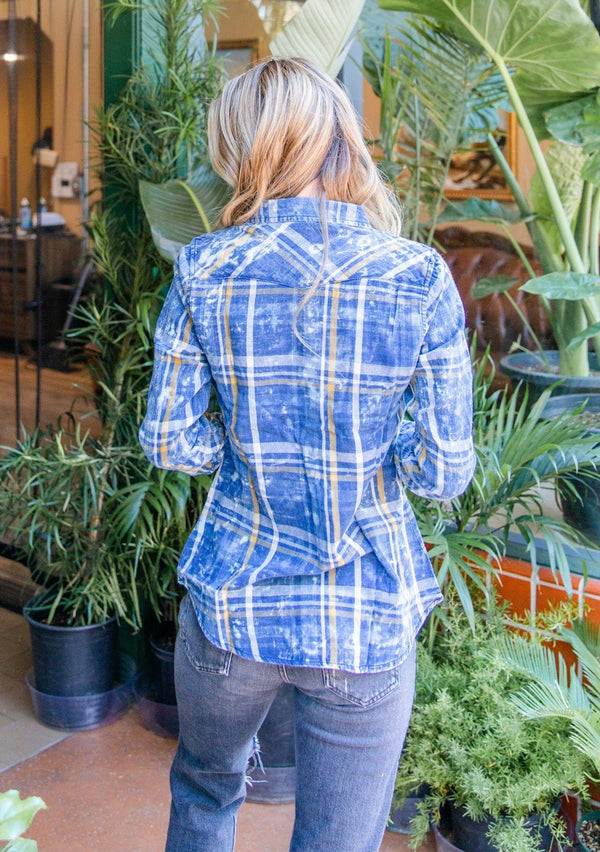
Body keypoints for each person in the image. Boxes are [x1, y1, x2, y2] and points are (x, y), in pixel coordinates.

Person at [139, 56, 476, 852]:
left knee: (204, 791)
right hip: (364, 617)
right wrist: (375, 453)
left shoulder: (205, 267)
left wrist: (248, 453)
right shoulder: (418, 276)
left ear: (244, 149)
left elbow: (170, 440)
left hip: (234, 606)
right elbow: (443, 471)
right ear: (341, 140)